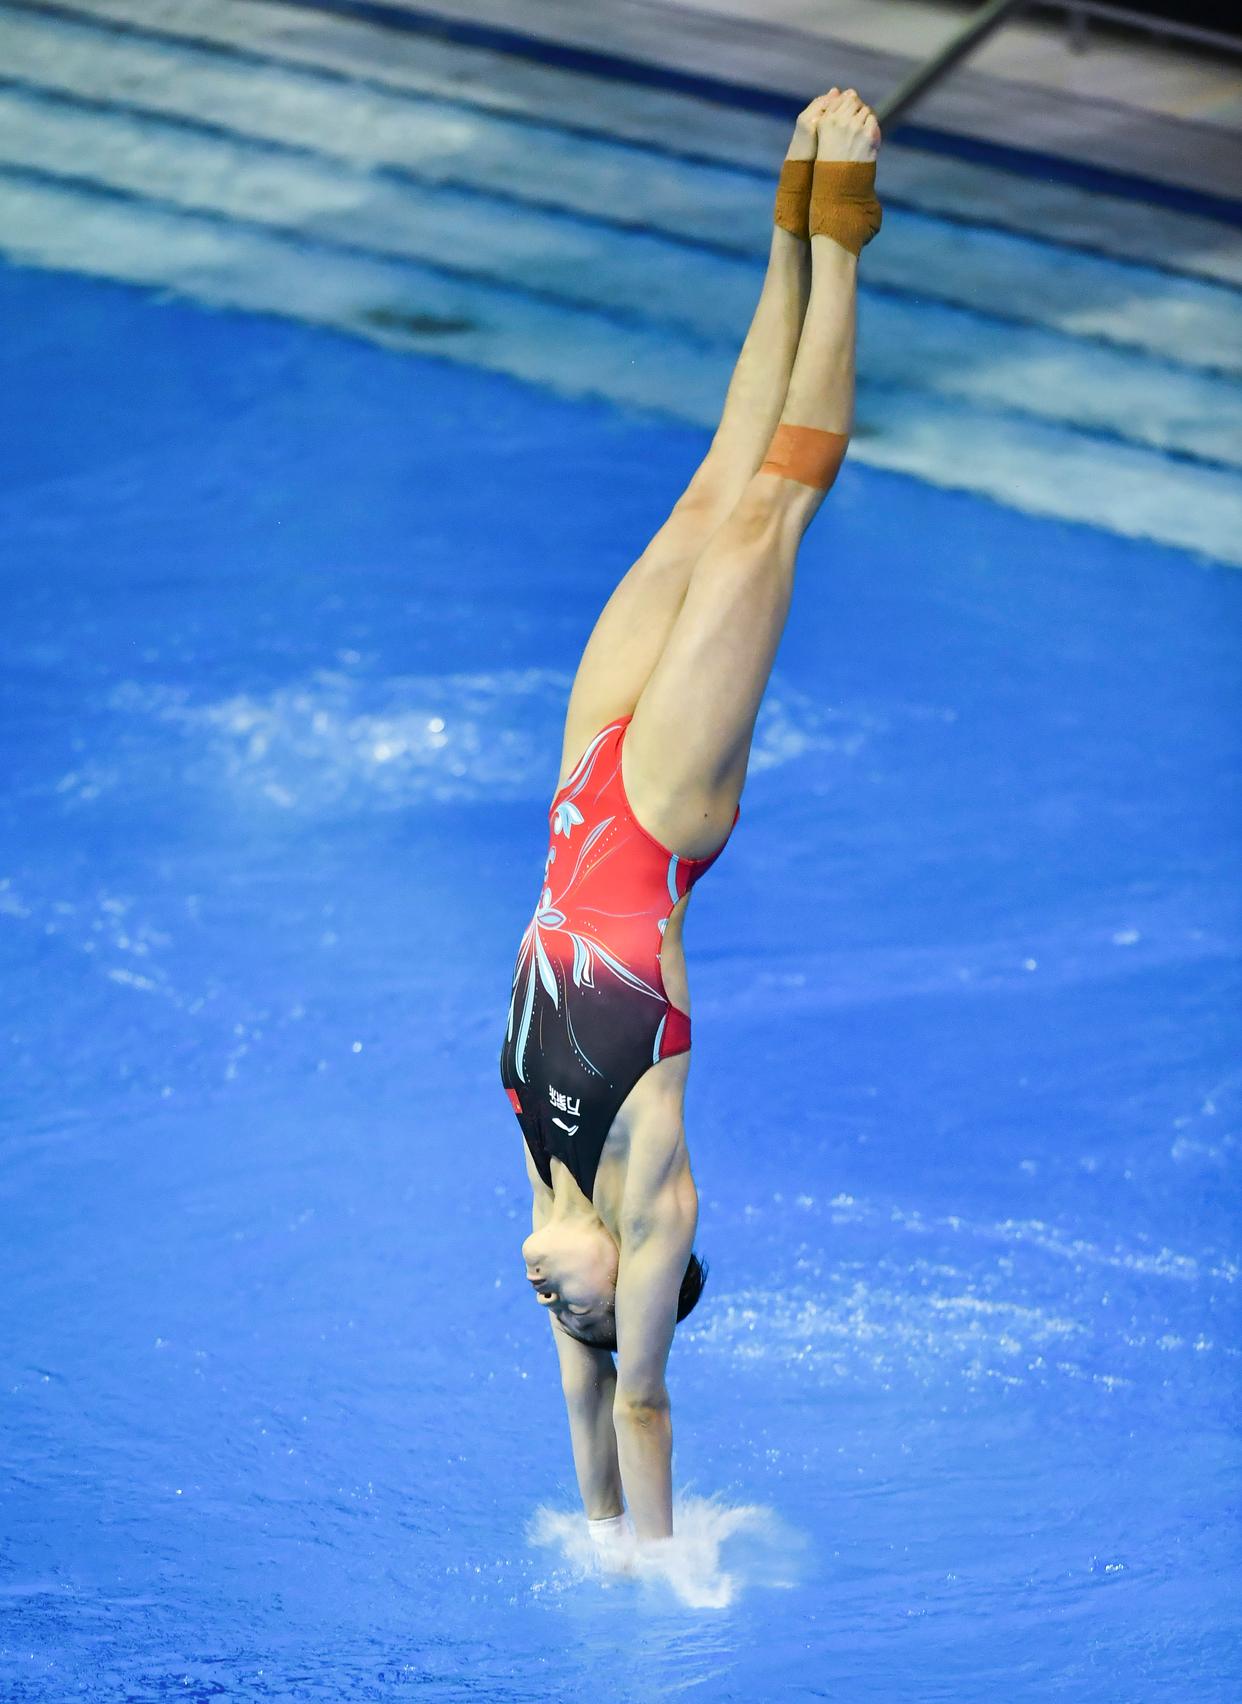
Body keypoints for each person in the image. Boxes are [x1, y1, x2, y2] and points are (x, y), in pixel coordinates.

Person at [499, 88, 883, 1550]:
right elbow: (636, 1401)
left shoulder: (540, 1168)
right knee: (776, 501)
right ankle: (845, 240)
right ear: (648, 1273)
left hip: (586, 771)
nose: (556, 1301)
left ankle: (783, 229)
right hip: (659, 821)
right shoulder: (647, 1194)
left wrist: (589, 1527)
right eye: (584, 1309)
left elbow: (582, 1407)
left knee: (703, 490)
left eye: (560, 1309)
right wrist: (652, 1580)